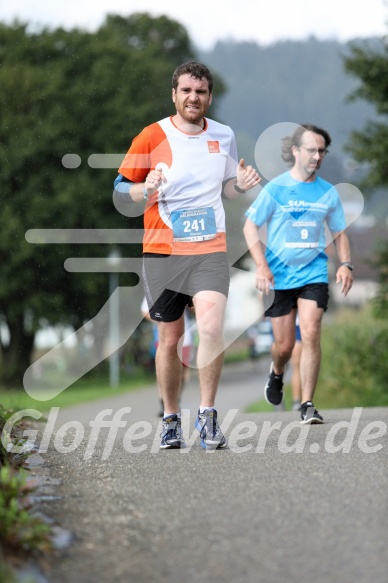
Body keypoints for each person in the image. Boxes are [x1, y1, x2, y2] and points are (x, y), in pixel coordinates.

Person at [114, 61, 261, 448]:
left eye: (201, 92)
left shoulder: (224, 135)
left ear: (209, 97)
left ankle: (208, 416)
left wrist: (240, 185)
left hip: (210, 249)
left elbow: (226, 187)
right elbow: (119, 189)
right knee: (170, 338)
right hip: (163, 251)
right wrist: (144, 188)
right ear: (174, 95)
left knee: (211, 327)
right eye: (186, 91)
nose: (193, 97)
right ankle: (170, 418)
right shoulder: (151, 136)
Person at [243, 123, 353, 424]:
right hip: (279, 277)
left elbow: (339, 233)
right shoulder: (276, 189)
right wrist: (261, 265)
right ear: (295, 151)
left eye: (322, 151)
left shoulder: (328, 193)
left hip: (314, 274)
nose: (317, 156)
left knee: (312, 330)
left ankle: (306, 403)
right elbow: (250, 226)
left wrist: (345, 264)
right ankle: (277, 372)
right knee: (284, 346)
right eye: (311, 150)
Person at [141, 297, 194, 417]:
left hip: (186, 337)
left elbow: (196, 309)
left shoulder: (187, 285)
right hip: (164, 336)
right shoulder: (157, 284)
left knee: (183, 370)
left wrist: (188, 304)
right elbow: (144, 310)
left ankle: (176, 399)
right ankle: (164, 403)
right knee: (164, 368)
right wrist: (163, 318)